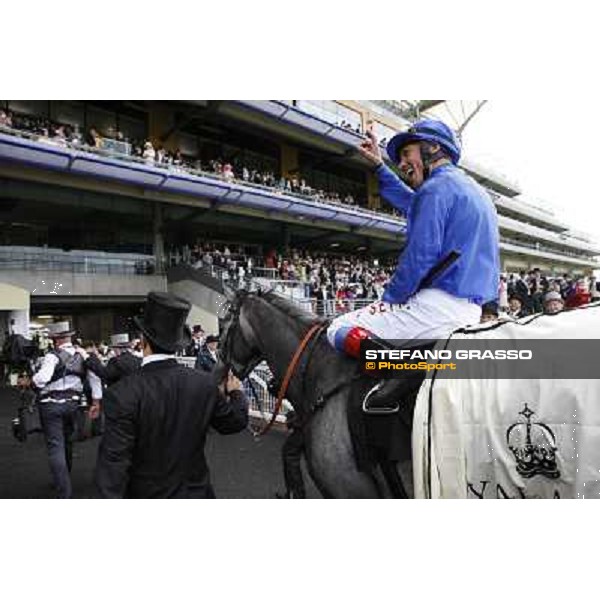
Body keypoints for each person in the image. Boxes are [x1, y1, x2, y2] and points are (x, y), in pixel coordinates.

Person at [326, 119, 500, 412]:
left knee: (337, 327)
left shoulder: (435, 190)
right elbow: (414, 203)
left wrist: (390, 298)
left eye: (407, 154)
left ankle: (392, 375)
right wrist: (381, 168)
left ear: (432, 148)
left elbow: (420, 256)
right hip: (472, 312)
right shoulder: (477, 194)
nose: (403, 163)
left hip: (436, 309)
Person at [95, 292, 248, 498]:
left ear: (143, 340)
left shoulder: (122, 393)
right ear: (178, 343)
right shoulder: (204, 384)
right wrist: (236, 392)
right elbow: (235, 422)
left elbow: (113, 466)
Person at [19, 321, 103, 498]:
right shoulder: (82, 354)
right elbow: (95, 379)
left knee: (55, 446)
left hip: (50, 404)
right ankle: (65, 477)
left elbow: (43, 378)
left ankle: (63, 491)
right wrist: (96, 402)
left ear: (55, 340)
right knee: (68, 441)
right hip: (73, 403)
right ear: (69, 337)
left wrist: (29, 382)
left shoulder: (52, 356)